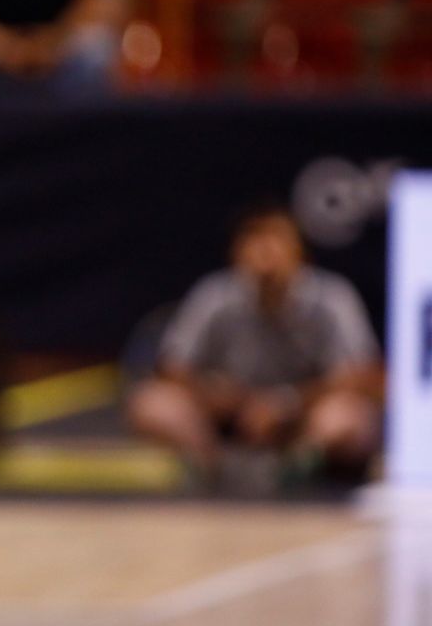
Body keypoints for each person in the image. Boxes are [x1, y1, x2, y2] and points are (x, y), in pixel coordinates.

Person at [127, 205, 383, 489]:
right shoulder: (214, 294)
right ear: (236, 252)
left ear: (300, 252)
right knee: (153, 403)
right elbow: (171, 368)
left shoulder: (332, 297)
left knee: (348, 418)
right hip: (229, 417)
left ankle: (296, 468)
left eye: (277, 239)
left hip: (301, 417)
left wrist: (288, 402)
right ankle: (210, 466)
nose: (265, 251)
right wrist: (222, 396)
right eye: (255, 240)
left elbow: (360, 375)